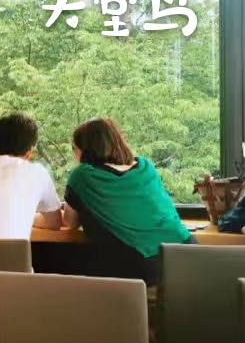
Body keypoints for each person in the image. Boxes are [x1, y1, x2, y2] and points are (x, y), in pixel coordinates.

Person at [63, 118, 194, 284]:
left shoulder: (83, 175)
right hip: (188, 254)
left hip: (143, 266)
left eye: (74, 148)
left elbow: (69, 221)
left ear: (83, 149)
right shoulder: (145, 167)